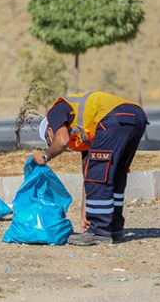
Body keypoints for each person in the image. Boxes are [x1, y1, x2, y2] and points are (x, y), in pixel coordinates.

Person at [33, 91, 148, 246]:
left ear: (49, 130)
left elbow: (61, 140)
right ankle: (114, 228)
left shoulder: (55, 112)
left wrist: (46, 156)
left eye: (48, 141)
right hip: (136, 116)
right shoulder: (88, 131)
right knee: (113, 175)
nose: (50, 144)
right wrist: (84, 216)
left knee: (99, 175)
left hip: (113, 118)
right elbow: (89, 178)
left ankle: (99, 231)